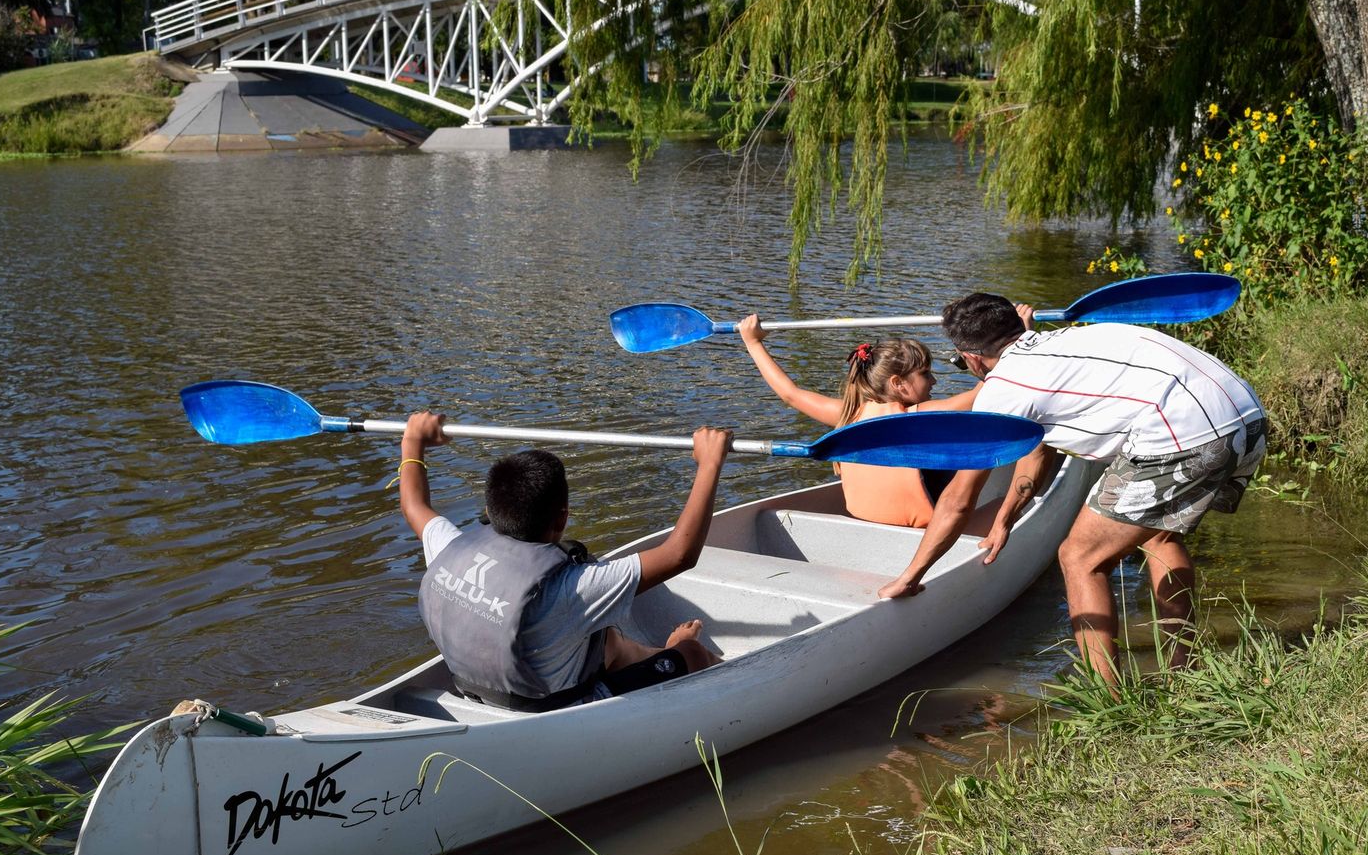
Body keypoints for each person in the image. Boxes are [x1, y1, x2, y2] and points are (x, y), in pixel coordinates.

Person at [880, 292, 1267, 688]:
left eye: (960, 361)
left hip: (1184, 435)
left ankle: (1111, 701)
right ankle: (1183, 671)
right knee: (1157, 533)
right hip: (1243, 412)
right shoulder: (1065, 341)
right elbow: (1039, 445)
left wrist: (913, 575)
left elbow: (959, 500)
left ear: (973, 358)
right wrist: (1006, 518)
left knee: (1080, 557)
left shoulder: (1003, 392)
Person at [397, 412, 729, 711]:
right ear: (562, 520)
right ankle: (679, 650)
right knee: (693, 655)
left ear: (490, 511)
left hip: (475, 689)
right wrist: (709, 464)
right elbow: (679, 555)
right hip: (552, 709)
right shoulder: (572, 589)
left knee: (606, 640)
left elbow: (414, 506)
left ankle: (661, 651)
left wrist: (413, 440)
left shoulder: (450, 547)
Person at [737, 314, 957, 526]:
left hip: (865, 523)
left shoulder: (849, 414)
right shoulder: (922, 414)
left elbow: (790, 394)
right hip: (920, 531)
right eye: (926, 373)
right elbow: (981, 392)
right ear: (898, 383)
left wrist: (753, 342)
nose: (934, 381)